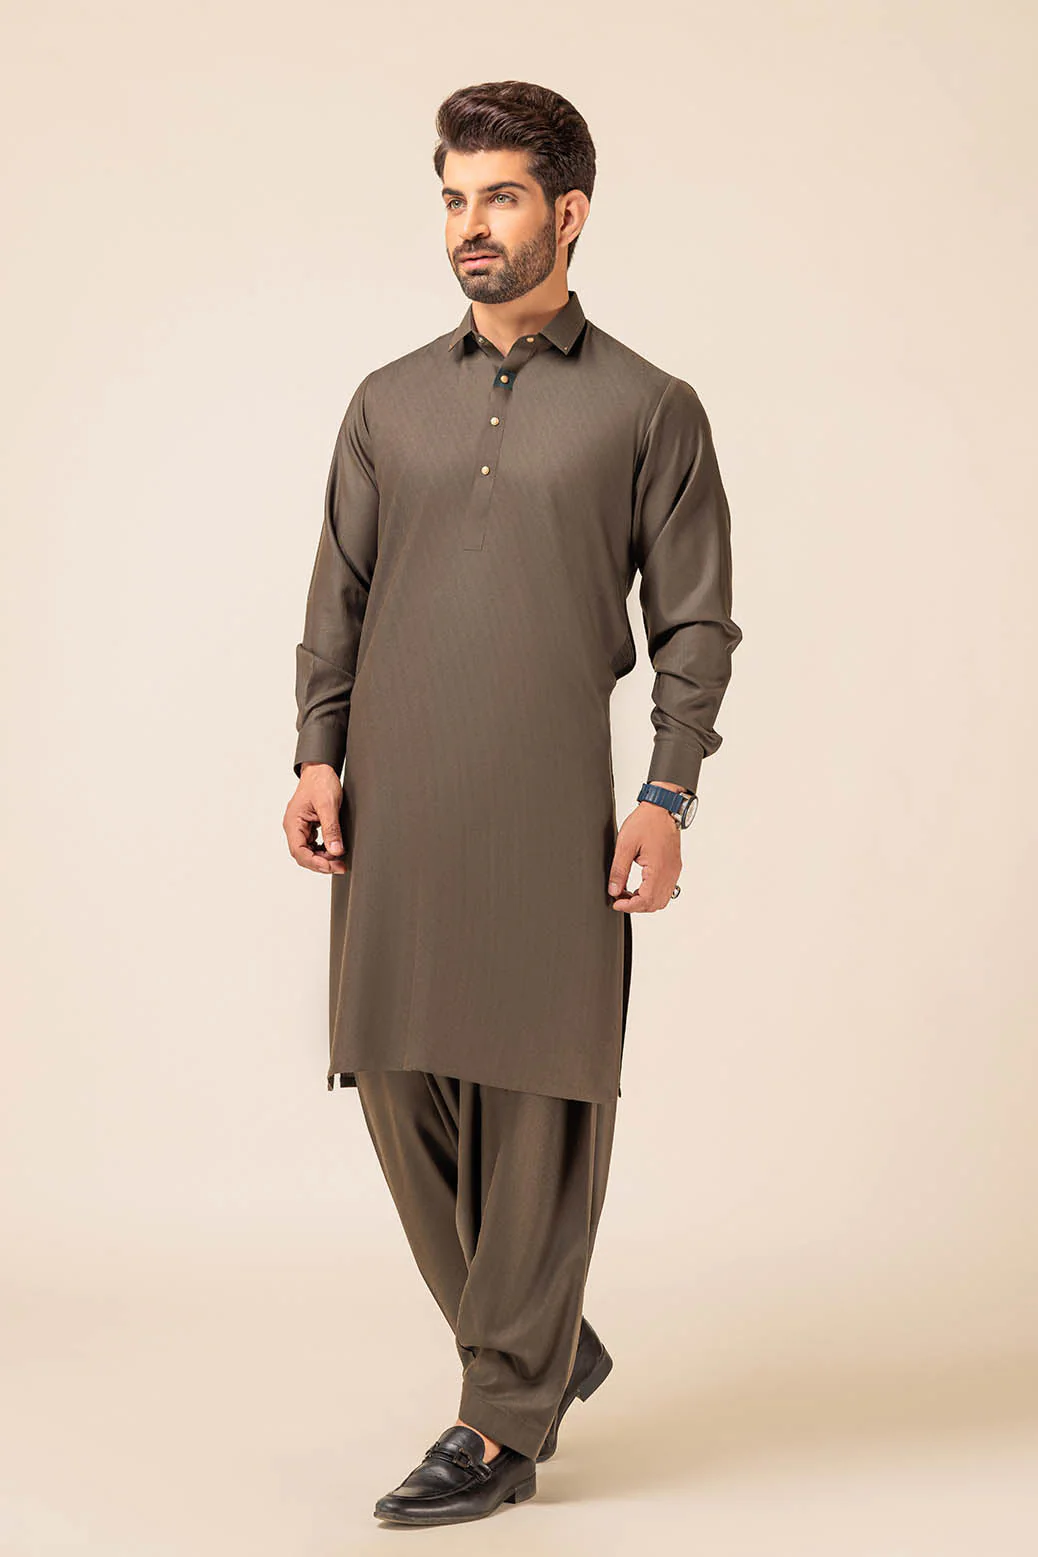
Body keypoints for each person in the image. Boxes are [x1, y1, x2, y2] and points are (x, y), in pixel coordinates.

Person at [283, 78, 742, 1527]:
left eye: (498, 197)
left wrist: (666, 791)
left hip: (553, 803)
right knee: (393, 1070)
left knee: (541, 1093)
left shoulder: (649, 409)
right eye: (452, 198)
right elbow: (338, 594)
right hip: (395, 799)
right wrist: (315, 753)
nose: (467, 225)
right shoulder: (386, 402)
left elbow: (695, 623)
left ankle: (497, 1419)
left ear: (569, 213)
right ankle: (541, 1340)